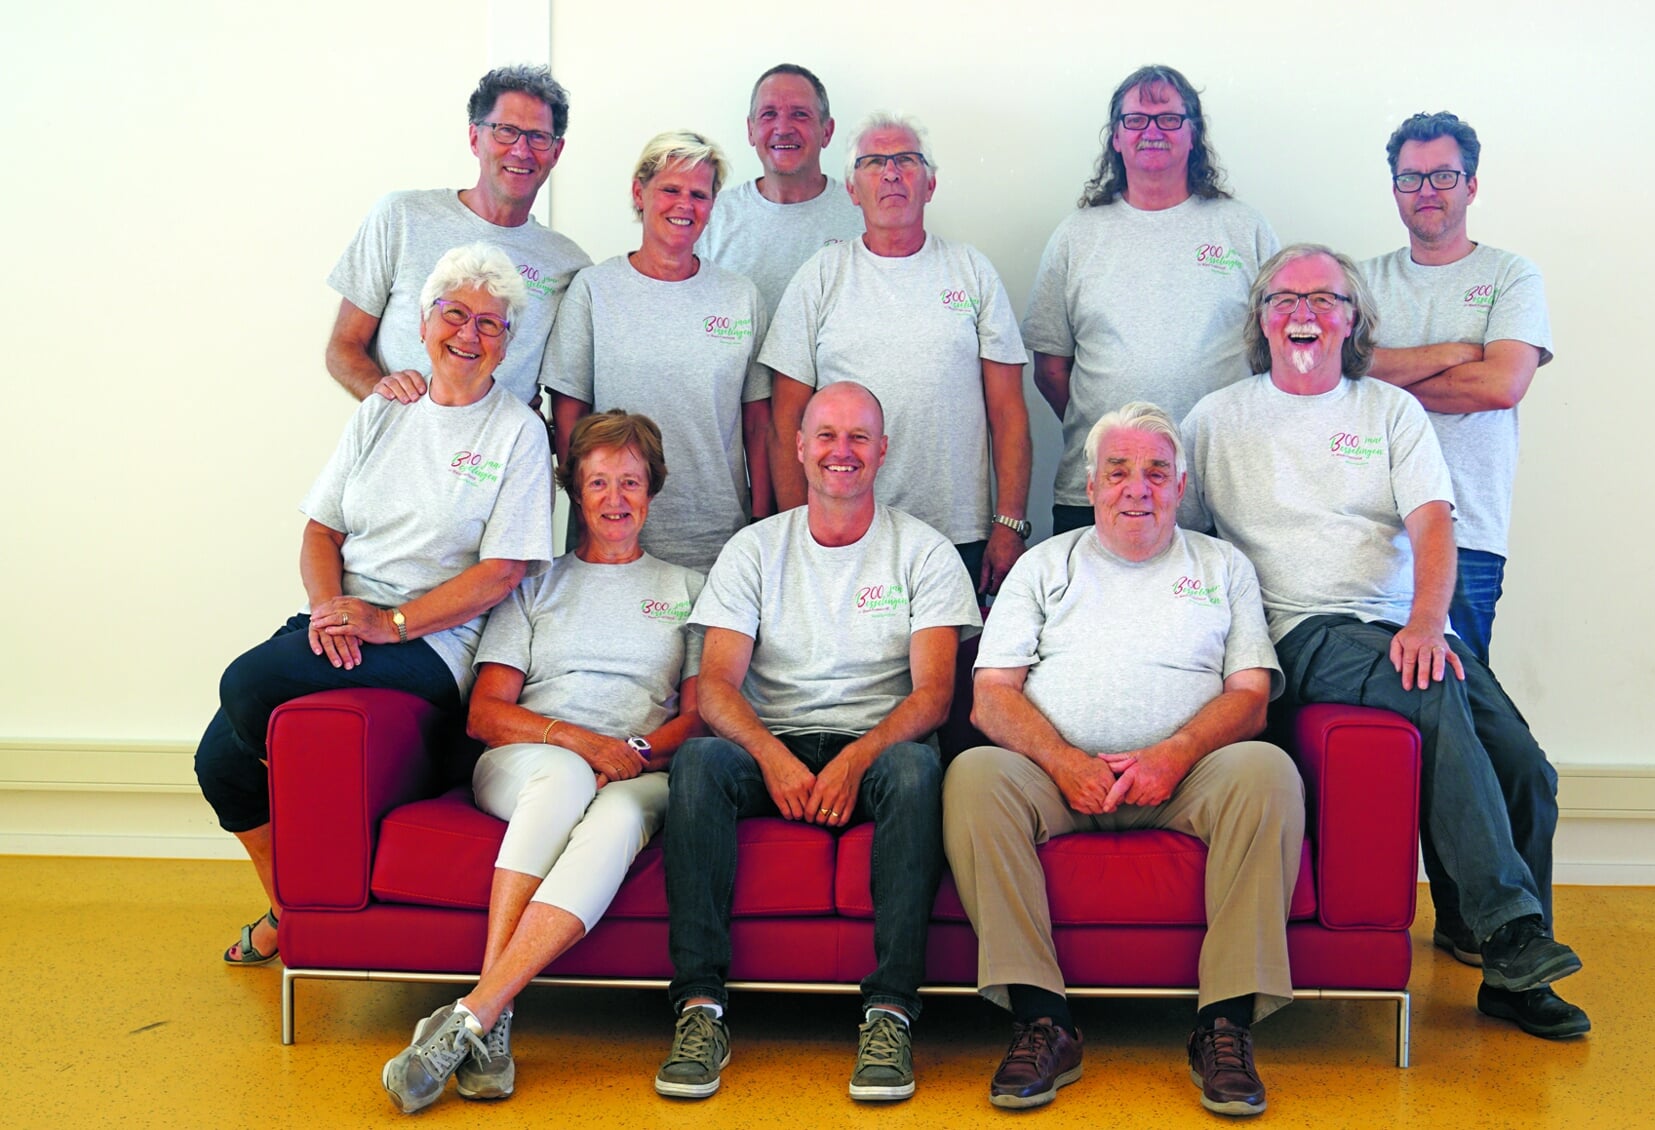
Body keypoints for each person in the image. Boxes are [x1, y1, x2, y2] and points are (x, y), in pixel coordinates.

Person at [1180, 243, 1589, 1040]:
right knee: (1425, 687)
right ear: (1261, 322)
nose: (1304, 313)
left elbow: (1432, 523)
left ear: (1353, 320)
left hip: (1396, 621)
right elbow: (1185, 549)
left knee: (1527, 768)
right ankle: (1512, 930)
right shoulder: (1215, 418)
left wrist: (1427, 623)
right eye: (1284, 299)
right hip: (1298, 629)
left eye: (1324, 299)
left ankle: (1506, 970)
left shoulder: (1389, 411)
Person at [196, 243, 554, 971]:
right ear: (424, 323)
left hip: (430, 647)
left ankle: (297, 913)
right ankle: (293, 914)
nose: (469, 334)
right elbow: (321, 530)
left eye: (491, 323)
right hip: (347, 617)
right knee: (218, 764)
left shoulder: (519, 432)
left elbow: (502, 571)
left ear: (509, 342)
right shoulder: (385, 410)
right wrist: (331, 611)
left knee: (245, 685)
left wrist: (387, 623)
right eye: (454, 314)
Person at [945, 402, 1304, 1116]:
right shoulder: (1046, 565)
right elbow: (991, 699)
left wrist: (1174, 754)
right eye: (1118, 471)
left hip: (1186, 778)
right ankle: (1043, 1020)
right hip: (1056, 779)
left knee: (1269, 774)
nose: (1136, 487)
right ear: (1090, 483)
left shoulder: (1222, 566)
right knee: (975, 777)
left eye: (1156, 472)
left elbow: (1251, 698)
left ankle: (1224, 1025)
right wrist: (1063, 760)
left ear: (1180, 487)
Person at [656, 382, 980, 1102]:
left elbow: (933, 695)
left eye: (859, 437)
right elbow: (714, 688)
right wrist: (772, 758)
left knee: (918, 772)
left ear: (883, 450)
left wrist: (852, 761)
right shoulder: (754, 550)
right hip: (771, 743)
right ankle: (699, 1009)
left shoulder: (923, 550)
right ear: (799, 448)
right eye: (826, 436)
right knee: (702, 760)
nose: (842, 452)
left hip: (877, 750)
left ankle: (890, 1012)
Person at [380, 411, 705, 1113]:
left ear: (652, 491)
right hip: (530, 762)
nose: (615, 498)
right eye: (597, 482)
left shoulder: (688, 588)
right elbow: (486, 713)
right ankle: (491, 1009)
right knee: (566, 775)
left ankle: (480, 1013)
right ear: (573, 493)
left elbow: (700, 713)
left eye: (630, 481)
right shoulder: (533, 584)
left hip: (640, 772)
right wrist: (582, 743)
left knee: (619, 820)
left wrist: (637, 752)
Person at [760, 112, 1032, 594]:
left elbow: (1008, 412)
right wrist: (797, 531)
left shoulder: (971, 271)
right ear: (851, 188)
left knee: (949, 671)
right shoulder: (822, 276)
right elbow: (786, 422)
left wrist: (1009, 525)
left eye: (906, 160)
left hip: (958, 534)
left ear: (929, 184)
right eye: (873, 162)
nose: (891, 173)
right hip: (843, 531)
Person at [1024, 65, 1279, 534]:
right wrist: (1120, 438)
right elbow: (1051, 369)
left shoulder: (1244, 229)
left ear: (1194, 134)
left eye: (1168, 119)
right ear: (1116, 137)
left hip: (1220, 491)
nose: (1152, 132)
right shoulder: (1076, 236)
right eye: (1136, 120)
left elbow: (1275, 356)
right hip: (1104, 487)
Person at [1360, 111, 1553, 665]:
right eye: (1410, 178)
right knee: (1377, 706)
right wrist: (1455, 353)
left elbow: (1499, 385)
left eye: (1443, 176)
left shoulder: (1511, 276)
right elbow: (1338, 375)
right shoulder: (1362, 282)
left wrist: (1383, 376)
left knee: (1465, 697)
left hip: (1469, 529)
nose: (1426, 190)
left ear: (1471, 185)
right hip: (1372, 531)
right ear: (1395, 188)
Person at [541, 130, 772, 571]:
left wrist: (760, 520)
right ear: (639, 193)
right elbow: (570, 415)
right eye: (670, 189)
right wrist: (587, 514)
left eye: (699, 194)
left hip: (715, 539)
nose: (684, 204)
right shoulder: (594, 291)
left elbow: (759, 426)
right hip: (611, 535)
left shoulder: (741, 298)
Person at [327, 65, 591, 408]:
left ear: (556, 152)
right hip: (401, 449)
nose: (522, 150)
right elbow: (343, 347)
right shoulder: (401, 217)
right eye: (505, 131)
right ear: (474, 138)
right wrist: (390, 403)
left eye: (538, 137)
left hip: (500, 458)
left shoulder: (569, 266)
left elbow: (568, 388)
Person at [695, 64, 865, 321]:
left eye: (799, 114)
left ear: (827, 131)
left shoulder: (864, 217)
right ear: (751, 130)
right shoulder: (711, 218)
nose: (783, 128)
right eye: (769, 114)